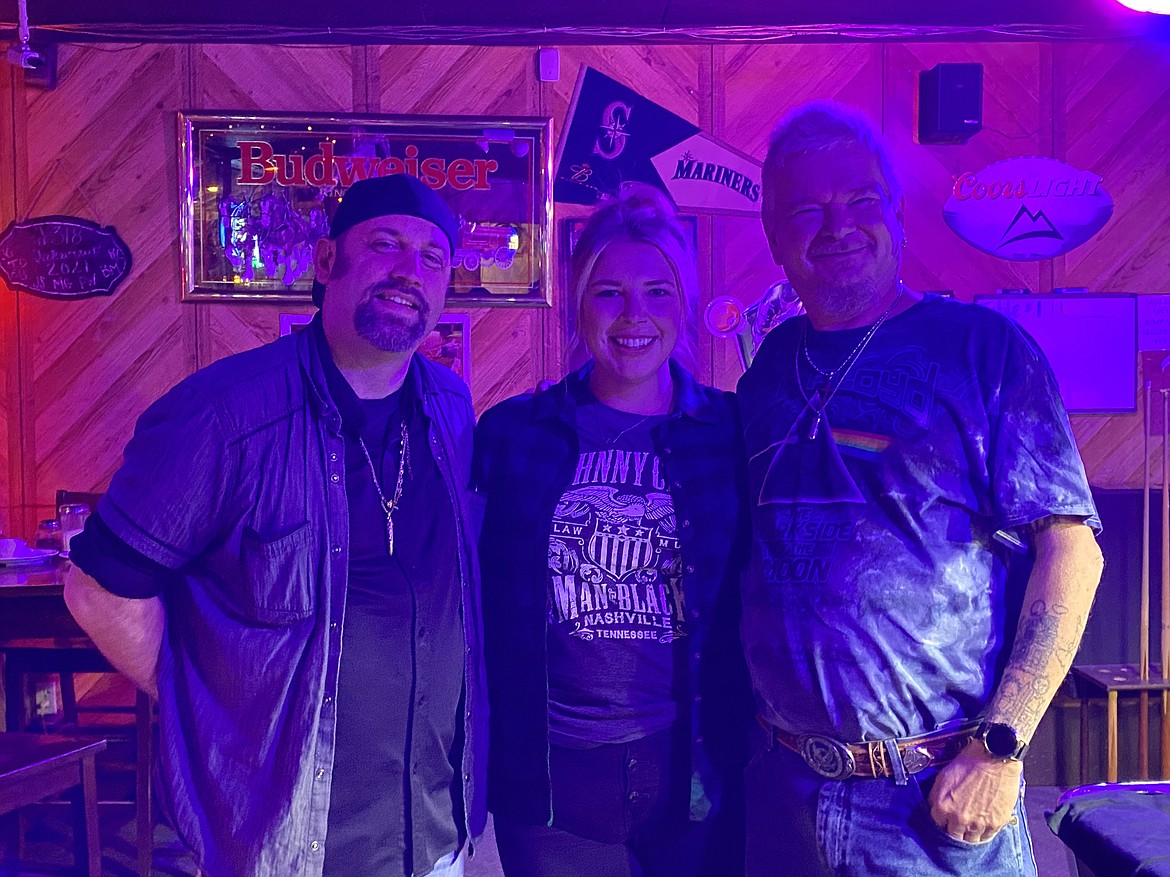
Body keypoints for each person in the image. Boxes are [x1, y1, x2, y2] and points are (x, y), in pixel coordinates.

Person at [63, 174, 487, 877]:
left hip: (430, 831)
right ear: (326, 265)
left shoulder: (450, 407)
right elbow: (96, 591)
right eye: (384, 245)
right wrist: (205, 704)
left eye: (433, 257)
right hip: (282, 846)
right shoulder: (223, 415)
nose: (410, 272)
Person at [737, 100, 1104, 877]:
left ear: (897, 215)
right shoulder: (768, 368)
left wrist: (1002, 744)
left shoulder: (983, 349)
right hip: (783, 792)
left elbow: (1071, 550)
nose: (837, 225)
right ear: (774, 238)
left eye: (861, 201)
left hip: (932, 797)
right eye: (806, 210)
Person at [475, 185, 752, 877]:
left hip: (698, 771)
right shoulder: (513, 434)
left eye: (658, 292)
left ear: (683, 302)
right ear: (577, 301)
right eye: (609, 293)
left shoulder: (731, 433)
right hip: (549, 782)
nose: (634, 316)